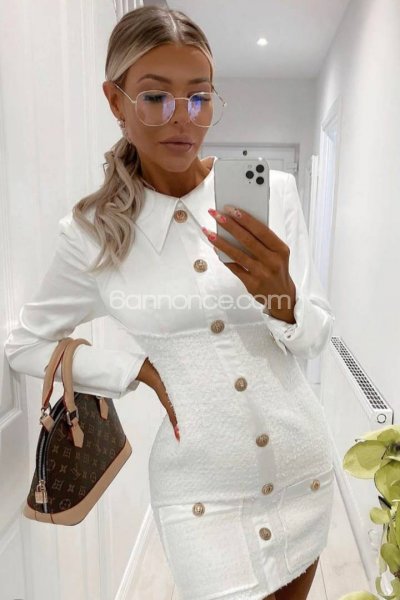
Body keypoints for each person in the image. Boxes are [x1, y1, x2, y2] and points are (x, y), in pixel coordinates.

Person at [4, 6, 336, 600]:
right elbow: (23, 344)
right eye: (155, 97)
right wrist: (137, 370)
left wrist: (283, 298)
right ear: (116, 101)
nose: (183, 118)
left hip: (300, 470)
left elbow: (313, 339)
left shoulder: (275, 194)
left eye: (199, 97)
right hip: (199, 494)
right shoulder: (92, 234)